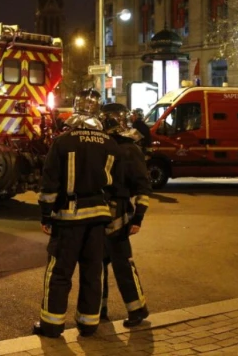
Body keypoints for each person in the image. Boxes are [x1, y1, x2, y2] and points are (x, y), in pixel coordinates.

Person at [33, 89, 124, 339]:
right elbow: (118, 187)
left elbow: (49, 184)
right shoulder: (109, 143)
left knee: (60, 273)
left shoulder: (63, 142)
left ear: (75, 110)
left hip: (68, 219)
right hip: (98, 220)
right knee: (92, 273)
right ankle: (88, 324)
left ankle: (52, 325)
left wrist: (45, 215)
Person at [100, 103, 151, 328]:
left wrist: (138, 217)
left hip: (118, 213)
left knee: (122, 263)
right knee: (97, 264)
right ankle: (99, 309)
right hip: (100, 212)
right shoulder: (103, 144)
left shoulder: (129, 148)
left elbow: (143, 185)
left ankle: (137, 309)